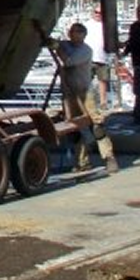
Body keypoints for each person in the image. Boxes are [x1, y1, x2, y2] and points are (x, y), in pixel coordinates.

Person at [56, 22, 119, 174]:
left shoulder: (85, 50)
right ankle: (82, 161)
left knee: (96, 125)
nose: (73, 34)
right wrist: (53, 42)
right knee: (76, 127)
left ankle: (109, 157)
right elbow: (58, 44)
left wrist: (57, 48)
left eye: (78, 32)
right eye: (72, 31)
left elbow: (68, 61)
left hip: (85, 92)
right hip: (70, 92)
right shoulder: (66, 44)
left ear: (84, 35)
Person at [85, 5, 110, 110]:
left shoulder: (107, 25)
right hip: (87, 58)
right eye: (96, 12)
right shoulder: (86, 24)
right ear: (92, 12)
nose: (98, 14)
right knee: (86, 82)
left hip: (103, 58)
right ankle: (86, 104)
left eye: (100, 12)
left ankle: (103, 103)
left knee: (103, 81)